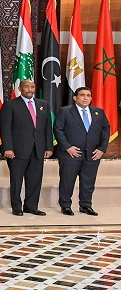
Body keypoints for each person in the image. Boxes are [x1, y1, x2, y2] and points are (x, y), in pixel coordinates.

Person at [0, 79, 53, 216]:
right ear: (20, 89)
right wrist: (8, 148)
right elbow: (5, 128)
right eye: (26, 87)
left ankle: (31, 206)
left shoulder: (43, 105)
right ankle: (17, 207)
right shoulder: (10, 105)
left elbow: (47, 128)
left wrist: (49, 147)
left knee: (35, 180)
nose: (30, 89)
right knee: (16, 180)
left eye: (32, 87)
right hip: (17, 150)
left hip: (38, 149)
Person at [54, 87, 110, 216]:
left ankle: (86, 205)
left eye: (88, 95)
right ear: (75, 97)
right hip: (70, 154)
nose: (86, 98)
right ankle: (66, 205)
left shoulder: (98, 112)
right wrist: (67, 147)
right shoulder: (65, 111)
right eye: (82, 95)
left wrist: (102, 149)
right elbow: (58, 129)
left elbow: (106, 130)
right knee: (67, 181)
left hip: (92, 154)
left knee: (88, 182)